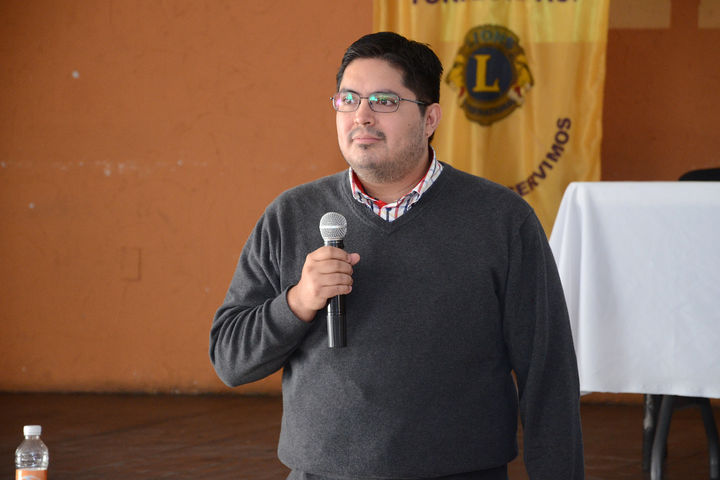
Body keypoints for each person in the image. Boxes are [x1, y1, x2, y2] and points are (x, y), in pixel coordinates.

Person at [210, 32, 584, 480]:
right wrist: (297, 302)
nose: (361, 116)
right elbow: (230, 360)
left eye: (384, 101)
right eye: (348, 99)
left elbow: (548, 373)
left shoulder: (501, 219)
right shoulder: (291, 214)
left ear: (430, 118)